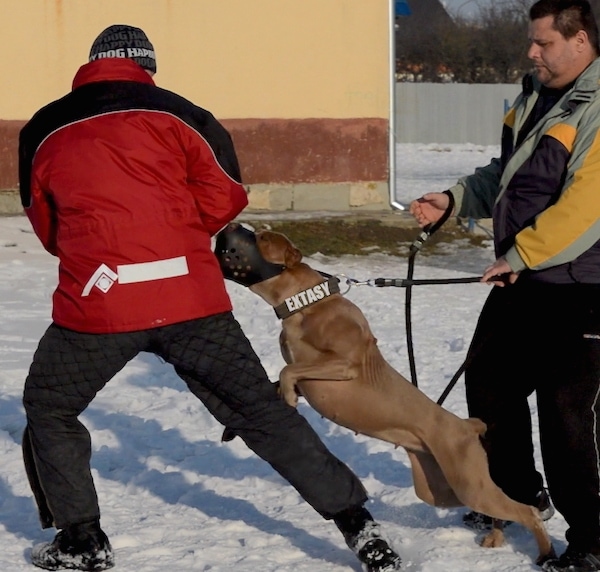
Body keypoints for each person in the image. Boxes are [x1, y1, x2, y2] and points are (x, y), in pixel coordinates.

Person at [18, 24, 402, 572]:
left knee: (49, 406)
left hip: (98, 304)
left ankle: (81, 539)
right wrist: (171, 232)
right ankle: (357, 524)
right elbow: (226, 197)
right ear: (146, 67)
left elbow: (48, 226)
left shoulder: (43, 127)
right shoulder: (181, 113)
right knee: (260, 413)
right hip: (191, 300)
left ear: (91, 65)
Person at [409, 1, 600, 570]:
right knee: (489, 389)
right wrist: (455, 199)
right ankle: (517, 493)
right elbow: (507, 174)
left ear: (582, 40)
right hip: (522, 277)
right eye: (532, 42)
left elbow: (587, 205)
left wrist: (523, 252)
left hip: (580, 283)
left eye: (543, 42)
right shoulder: (535, 96)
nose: (531, 52)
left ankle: (592, 538)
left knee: (566, 415)